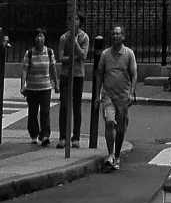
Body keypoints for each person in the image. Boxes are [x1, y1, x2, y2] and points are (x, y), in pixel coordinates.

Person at [96, 21, 138, 169]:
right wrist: (97, 95)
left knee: (120, 129)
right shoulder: (105, 54)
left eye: (118, 33)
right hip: (108, 95)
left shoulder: (129, 54)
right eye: (113, 33)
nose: (115, 36)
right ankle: (111, 154)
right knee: (109, 122)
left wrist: (131, 93)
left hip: (123, 96)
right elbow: (100, 74)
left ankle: (118, 155)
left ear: (123, 36)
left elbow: (133, 74)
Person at [57, 17, 91, 146]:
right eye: (72, 18)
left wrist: (75, 44)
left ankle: (76, 137)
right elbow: (61, 57)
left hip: (78, 74)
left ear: (80, 22)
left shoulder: (84, 37)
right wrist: (74, 57)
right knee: (64, 104)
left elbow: (84, 56)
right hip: (66, 74)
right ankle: (63, 136)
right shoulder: (64, 38)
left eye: (77, 19)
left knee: (77, 105)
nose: (74, 21)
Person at [21, 28, 57, 146]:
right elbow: (25, 69)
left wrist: (56, 84)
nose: (39, 39)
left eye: (41, 36)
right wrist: (23, 85)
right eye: (37, 36)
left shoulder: (49, 52)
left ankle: (45, 135)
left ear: (45, 38)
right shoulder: (29, 53)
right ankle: (34, 134)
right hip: (32, 88)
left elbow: (53, 68)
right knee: (32, 112)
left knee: (45, 112)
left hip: (45, 87)